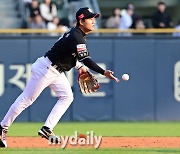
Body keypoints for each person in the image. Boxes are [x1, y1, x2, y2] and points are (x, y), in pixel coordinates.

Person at [0, 7, 119, 148]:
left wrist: (80, 67)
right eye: (90, 18)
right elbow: (85, 59)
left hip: (56, 71)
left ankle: (47, 129)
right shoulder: (76, 36)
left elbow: (70, 55)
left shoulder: (76, 34)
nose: (93, 21)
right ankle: (3, 127)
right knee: (26, 99)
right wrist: (103, 71)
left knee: (67, 97)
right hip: (46, 69)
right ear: (81, 20)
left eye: (94, 18)